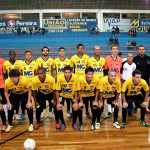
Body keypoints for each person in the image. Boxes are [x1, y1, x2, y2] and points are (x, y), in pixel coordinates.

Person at [56, 65, 82, 131]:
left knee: (76, 108)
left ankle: (74, 123)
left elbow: (76, 91)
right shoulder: (60, 77)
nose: (67, 74)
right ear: (63, 72)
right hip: (63, 94)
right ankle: (63, 123)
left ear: (71, 72)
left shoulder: (75, 77)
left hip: (72, 95)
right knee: (58, 108)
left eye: (69, 72)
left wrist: (76, 102)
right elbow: (57, 91)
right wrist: (58, 103)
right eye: (66, 72)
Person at [70, 44, 89, 117]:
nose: (80, 49)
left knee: (86, 97)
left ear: (83, 49)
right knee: (75, 96)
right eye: (79, 48)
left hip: (84, 80)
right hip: (76, 80)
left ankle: (87, 111)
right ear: (77, 49)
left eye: (82, 48)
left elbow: (88, 69)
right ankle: (73, 110)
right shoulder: (73, 58)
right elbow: (72, 70)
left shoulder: (87, 57)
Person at [104, 45, 122, 118]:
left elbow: (121, 70)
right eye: (113, 49)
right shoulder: (107, 59)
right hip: (109, 81)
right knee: (109, 96)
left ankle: (115, 110)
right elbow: (105, 70)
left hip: (117, 81)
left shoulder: (120, 59)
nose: (115, 50)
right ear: (110, 50)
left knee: (116, 97)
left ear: (117, 50)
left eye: (116, 49)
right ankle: (109, 111)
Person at [36, 46, 54, 118]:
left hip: (49, 81)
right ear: (42, 52)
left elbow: (53, 70)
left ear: (48, 52)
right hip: (41, 81)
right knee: (42, 98)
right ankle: (43, 110)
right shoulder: (38, 60)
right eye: (44, 50)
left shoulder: (51, 60)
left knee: (50, 99)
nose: (45, 52)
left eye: (47, 50)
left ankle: (50, 111)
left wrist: (53, 78)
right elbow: (36, 71)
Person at [3, 51, 21, 120]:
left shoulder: (18, 64)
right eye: (11, 54)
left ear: (15, 55)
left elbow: (19, 74)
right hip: (9, 84)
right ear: (9, 55)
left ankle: (16, 113)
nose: (12, 56)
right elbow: (4, 73)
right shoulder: (5, 64)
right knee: (11, 99)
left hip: (16, 84)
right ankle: (12, 113)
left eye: (13, 54)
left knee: (17, 99)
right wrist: (6, 81)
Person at [53, 47, 71, 117]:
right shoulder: (55, 61)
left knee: (68, 96)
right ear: (58, 52)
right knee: (60, 96)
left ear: (65, 52)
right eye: (61, 51)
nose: (62, 52)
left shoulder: (68, 61)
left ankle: (68, 110)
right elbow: (54, 70)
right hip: (59, 82)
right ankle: (60, 108)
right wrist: (55, 79)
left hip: (67, 81)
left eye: (63, 51)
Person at [20, 49, 37, 120]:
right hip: (24, 86)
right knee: (23, 100)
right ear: (25, 55)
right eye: (26, 55)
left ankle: (37, 111)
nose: (28, 56)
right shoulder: (21, 64)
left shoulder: (34, 63)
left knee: (35, 99)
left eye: (29, 54)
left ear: (31, 55)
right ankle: (23, 113)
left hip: (33, 85)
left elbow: (36, 74)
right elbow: (20, 74)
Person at [133, 45, 150, 113]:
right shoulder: (135, 59)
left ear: (144, 50)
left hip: (146, 80)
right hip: (137, 81)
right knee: (136, 94)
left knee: (146, 94)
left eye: (143, 49)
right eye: (140, 49)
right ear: (137, 50)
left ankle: (144, 107)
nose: (141, 50)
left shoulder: (148, 58)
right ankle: (136, 106)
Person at [0, 57, 7, 132]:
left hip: (1, 85)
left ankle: (4, 123)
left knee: (2, 103)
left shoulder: (2, 61)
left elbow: (5, 72)